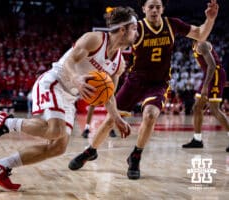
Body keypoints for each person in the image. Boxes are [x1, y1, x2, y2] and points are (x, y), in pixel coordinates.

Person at [0, 7, 138, 191]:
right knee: (55, 130)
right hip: (55, 80)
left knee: (58, 147)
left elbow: (109, 96)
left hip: (70, 98)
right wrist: (76, 78)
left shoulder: (119, 64)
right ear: (123, 29)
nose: (137, 33)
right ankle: (6, 122)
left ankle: (1, 167)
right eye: (134, 28)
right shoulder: (95, 39)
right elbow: (69, 61)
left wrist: (116, 118)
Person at [68, 0, 219, 180]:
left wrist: (210, 19)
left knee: (150, 115)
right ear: (144, 9)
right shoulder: (135, 28)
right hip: (134, 81)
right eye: (151, 7)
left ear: (163, 9)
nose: (154, 10)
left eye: (158, 6)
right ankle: (91, 151)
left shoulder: (172, 25)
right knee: (111, 120)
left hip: (158, 83)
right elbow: (114, 44)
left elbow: (200, 34)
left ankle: (136, 156)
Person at [182, 40, 229, 152]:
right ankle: (197, 140)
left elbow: (212, 66)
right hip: (210, 75)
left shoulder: (202, 44)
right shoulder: (194, 45)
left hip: (215, 75)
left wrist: (205, 86)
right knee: (197, 107)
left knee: (214, 109)